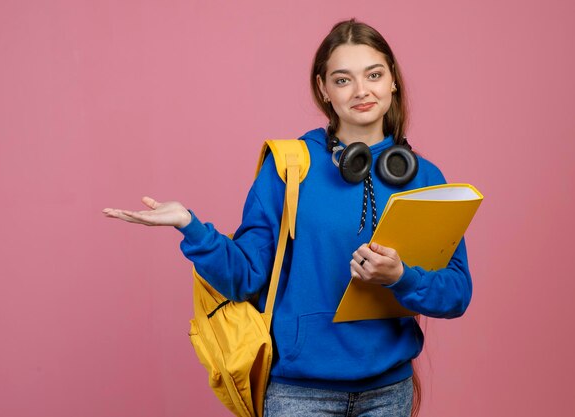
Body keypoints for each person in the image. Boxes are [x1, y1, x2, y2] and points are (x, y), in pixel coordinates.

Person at [103, 19, 472, 417]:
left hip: (388, 393)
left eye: (374, 75)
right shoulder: (289, 166)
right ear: (323, 89)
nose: (362, 91)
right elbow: (245, 277)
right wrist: (190, 226)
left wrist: (402, 277)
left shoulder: (425, 178)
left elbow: (455, 293)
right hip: (300, 395)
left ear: (393, 81)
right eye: (343, 80)